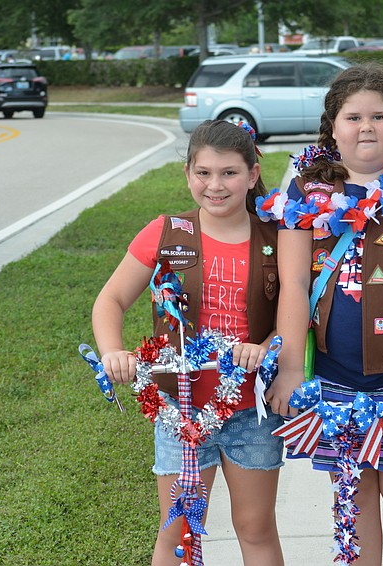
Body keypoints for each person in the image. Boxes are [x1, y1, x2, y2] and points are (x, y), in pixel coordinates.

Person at [263, 63, 383, 565]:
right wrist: (288, 371)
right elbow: (295, 285)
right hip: (333, 380)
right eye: (353, 117)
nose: (366, 127)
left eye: (379, 115)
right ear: (333, 127)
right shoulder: (306, 194)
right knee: (354, 496)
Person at [91, 119, 285, 566]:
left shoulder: (274, 238)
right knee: (177, 529)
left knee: (255, 527)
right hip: (179, 410)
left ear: (252, 175)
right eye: (204, 173)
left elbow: (295, 319)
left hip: (250, 412)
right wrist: (112, 351)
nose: (215, 185)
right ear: (188, 175)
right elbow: (111, 300)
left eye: (229, 173)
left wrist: (267, 346)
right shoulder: (166, 233)